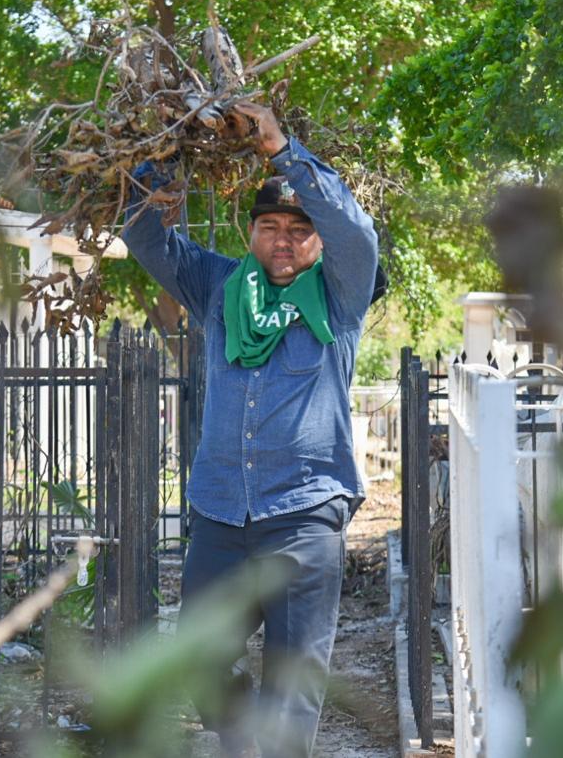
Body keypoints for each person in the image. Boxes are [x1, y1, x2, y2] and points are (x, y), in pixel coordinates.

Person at [122, 101, 379, 757]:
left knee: (294, 685)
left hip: (305, 515)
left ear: (317, 239)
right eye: (270, 227)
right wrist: (168, 150)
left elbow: (357, 234)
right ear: (251, 232)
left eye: (298, 228)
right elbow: (146, 238)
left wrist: (280, 150)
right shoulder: (219, 287)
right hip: (220, 514)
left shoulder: (341, 296)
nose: (283, 240)